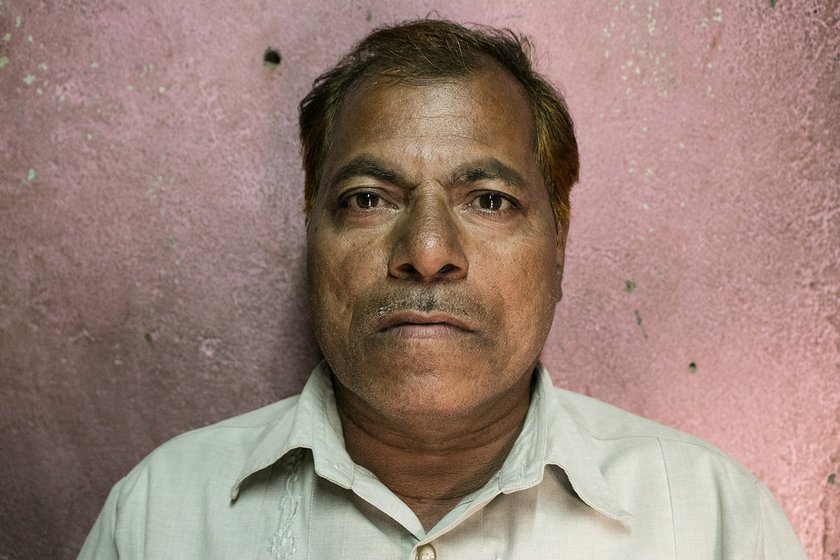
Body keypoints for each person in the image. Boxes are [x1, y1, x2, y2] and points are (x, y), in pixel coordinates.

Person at [78, 19, 807, 559]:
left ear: (559, 243)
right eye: (369, 198)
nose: (427, 254)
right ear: (311, 232)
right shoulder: (160, 518)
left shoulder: (715, 524)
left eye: (488, 200)